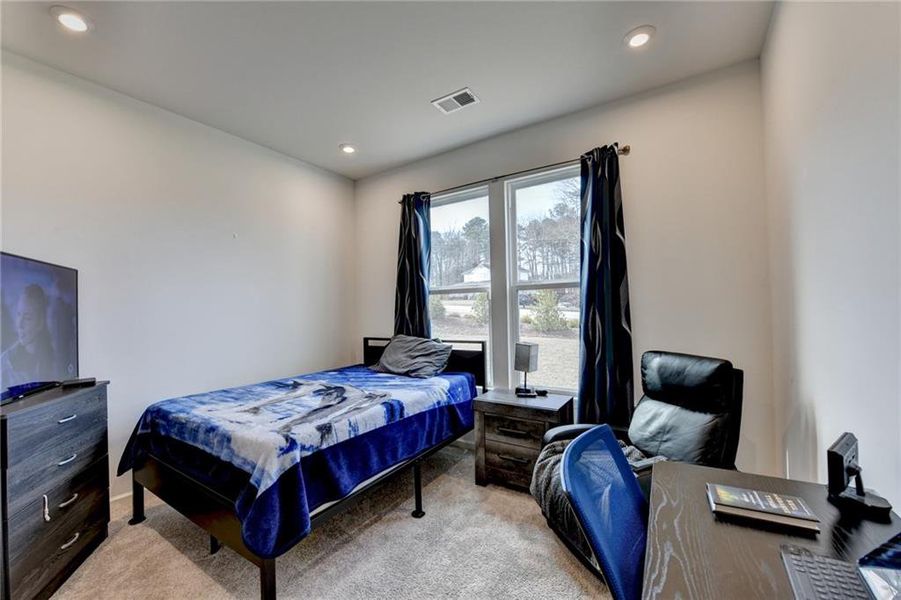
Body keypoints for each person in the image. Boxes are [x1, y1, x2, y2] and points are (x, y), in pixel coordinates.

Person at [1, 284, 57, 389]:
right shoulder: (4, 363)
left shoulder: (55, 359)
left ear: (40, 322)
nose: (19, 325)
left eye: (27, 318)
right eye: (18, 314)